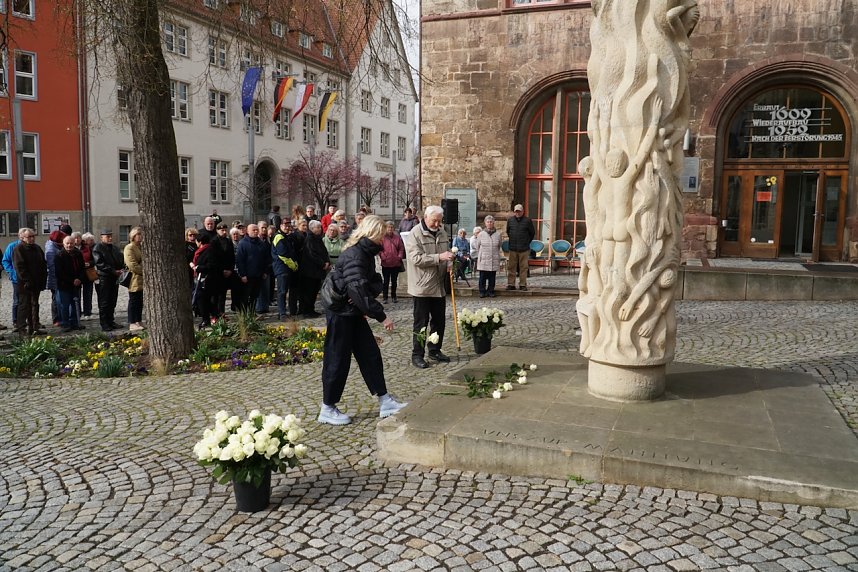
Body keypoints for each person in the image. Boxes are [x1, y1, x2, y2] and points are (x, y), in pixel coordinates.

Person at [317, 214, 407, 425]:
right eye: (382, 235)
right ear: (373, 233)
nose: (384, 239)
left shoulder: (364, 253)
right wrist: (381, 315)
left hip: (352, 311)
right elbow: (358, 288)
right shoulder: (356, 254)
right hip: (340, 313)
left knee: (370, 354)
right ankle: (327, 407)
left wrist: (362, 295)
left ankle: (385, 400)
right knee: (337, 359)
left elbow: (371, 283)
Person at [405, 205, 454, 369]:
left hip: (439, 285)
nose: (437, 224)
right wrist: (439, 257)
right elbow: (416, 259)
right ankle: (417, 355)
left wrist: (450, 262)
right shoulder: (415, 234)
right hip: (422, 287)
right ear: (425, 217)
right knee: (421, 323)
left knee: (439, 322)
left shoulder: (442, 232)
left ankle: (435, 350)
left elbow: (446, 253)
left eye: (439, 221)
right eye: (434, 221)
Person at [12, 228, 47, 336]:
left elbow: (43, 263)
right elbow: (20, 267)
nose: (32, 238)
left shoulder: (36, 248)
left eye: (33, 236)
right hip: (25, 284)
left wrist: (43, 278)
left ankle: (34, 327)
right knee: (24, 306)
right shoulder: (19, 249)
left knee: (35, 305)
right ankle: (22, 328)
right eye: (29, 237)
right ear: (22, 238)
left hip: (37, 282)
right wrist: (27, 280)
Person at [92, 229, 124, 331]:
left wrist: (121, 269)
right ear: (102, 237)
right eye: (107, 236)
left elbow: (120, 260)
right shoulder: (97, 248)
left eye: (110, 236)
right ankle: (104, 323)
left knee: (112, 300)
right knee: (104, 301)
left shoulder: (114, 248)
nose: (110, 238)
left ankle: (111, 321)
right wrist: (113, 270)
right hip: (104, 278)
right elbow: (100, 263)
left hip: (114, 277)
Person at [297, 220, 330, 317]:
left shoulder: (318, 238)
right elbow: (312, 254)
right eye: (318, 227)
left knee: (314, 291)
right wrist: (322, 264)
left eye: (320, 227)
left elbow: (324, 251)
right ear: (312, 229)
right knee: (309, 292)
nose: (320, 229)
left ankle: (311, 309)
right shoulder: (310, 239)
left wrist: (326, 261)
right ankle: (307, 311)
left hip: (317, 271)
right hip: (310, 271)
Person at [235, 223, 269, 314]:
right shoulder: (243, 243)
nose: (255, 231)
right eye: (253, 230)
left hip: (258, 275)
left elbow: (266, 258)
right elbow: (240, 260)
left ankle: (252, 313)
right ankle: (244, 315)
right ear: (248, 231)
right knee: (245, 296)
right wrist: (243, 274)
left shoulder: (261, 243)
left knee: (255, 296)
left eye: (256, 230)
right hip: (247, 276)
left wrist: (265, 271)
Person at [54, 235, 86, 332]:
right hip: (64, 284)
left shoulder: (78, 253)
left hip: (76, 283)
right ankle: (65, 323)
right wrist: (72, 280)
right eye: (67, 243)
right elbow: (59, 272)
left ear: (74, 243)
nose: (69, 245)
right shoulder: (59, 255)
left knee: (75, 304)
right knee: (64, 305)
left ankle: (75, 322)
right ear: (63, 244)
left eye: (71, 243)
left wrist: (79, 279)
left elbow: (82, 268)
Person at [191, 232, 220, 329]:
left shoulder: (210, 250)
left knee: (203, 299)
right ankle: (209, 317)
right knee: (203, 300)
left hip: (208, 279)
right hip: (201, 279)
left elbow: (211, 265)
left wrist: (198, 267)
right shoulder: (200, 251)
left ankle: (209, 318)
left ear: (200, 242)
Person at [272, 218, 298, 320]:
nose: (287, 227)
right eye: (285, 225)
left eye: (289, 225)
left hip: (286, 268)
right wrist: (294, 265)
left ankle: (284, 312)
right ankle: (282, 313)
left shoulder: (285, 237)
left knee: (285, 291)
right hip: (282, 268)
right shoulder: (279, 237)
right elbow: (283, 255)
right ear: (281, 226)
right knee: (282, 292)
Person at [506, 203, 535, 291]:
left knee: (523, 267)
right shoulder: (510, 220)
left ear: (523, 211)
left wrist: (526, 242)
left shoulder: (528, 221)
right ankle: (511, 284)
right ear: (514, 212)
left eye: (519, 211)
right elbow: (508, 232)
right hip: (513, 248)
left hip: (524, 248)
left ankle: (522, 284)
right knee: (511, 267)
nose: (518, 213)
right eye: (516, 211)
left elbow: (532, 233)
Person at [475, 215, 503, 298]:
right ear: (485, 223)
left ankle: (491, 291)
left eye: (491, 222)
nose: (489, 223)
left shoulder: (498, 234)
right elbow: (477, 246)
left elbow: (499, 245)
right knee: (482, 277)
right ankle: (482, 291)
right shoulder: (481, 234)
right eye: (488, 222)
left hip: (494, 258)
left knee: (492, 277)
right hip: (483, 259)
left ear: (493, 223)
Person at [2, 228, 24, 327]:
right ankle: (16, 321)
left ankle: (28, 321)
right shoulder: (12, 246)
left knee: (29, 300)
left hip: (30, 278)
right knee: (17, 300)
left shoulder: (33, 247)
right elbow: (5, 261)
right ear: (20, 236)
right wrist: (11, 272)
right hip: (17, 278)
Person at [124, 227, 145, 332]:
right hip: (134, 278)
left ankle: (138, 320)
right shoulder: (129, 248)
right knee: (133, 300)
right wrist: (143, 271)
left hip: (142, 279)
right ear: (133, 236)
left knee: (140, 301)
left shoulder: (141, 247)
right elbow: (132, 264)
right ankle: (132, 322)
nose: (140, 236)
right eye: (138, 234)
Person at [380, 221, 405, 303]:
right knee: (386, 281)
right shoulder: (382, 238)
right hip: (386, 263)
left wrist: (399, 257)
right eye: (388, 227)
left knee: (394, 281)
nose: (390, 229)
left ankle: (394, 296)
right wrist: (383, 256)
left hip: (395, 263)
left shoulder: (397, 238)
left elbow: (401, 248)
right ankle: (385, 297)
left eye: (391, 227)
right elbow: (380, 249)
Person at [45, 230, 66, 327]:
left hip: (60, 277)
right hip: (55, 278)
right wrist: (59, 278)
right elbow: (52, 266)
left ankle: (62, 317)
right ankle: (56, 319)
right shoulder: (51, 250)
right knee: (56, 299)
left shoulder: (55, 246)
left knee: (60, 299)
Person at [79, 233, 96, 320]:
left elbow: (94, 260)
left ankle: (87, 312)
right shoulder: (77, 248)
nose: (93, 241)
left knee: (88, 294)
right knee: (77, 294)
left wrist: (89, 263)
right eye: (91, 240)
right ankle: (78, 312)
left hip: (88, 273)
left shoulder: (90, 248)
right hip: (78, 274)